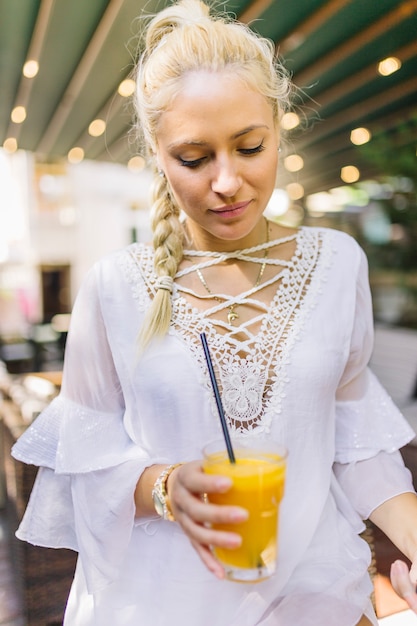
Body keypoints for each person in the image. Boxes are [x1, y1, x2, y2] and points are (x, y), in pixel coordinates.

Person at [11, 1, 417, 624]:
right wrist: (167, 489)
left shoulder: (339, 265)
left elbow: (354, 439)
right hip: (157, 605)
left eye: (250, 147)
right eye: (194, 159)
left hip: (311, 601)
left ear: (278, 130)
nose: (227, 182)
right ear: (157, 153)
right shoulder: (114, 287)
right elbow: (80, 471)